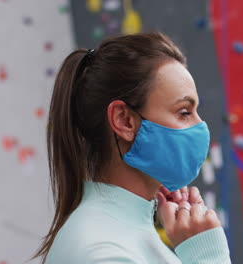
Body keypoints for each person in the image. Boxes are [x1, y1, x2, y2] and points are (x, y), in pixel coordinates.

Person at [32, 32, 231, 264]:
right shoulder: (101, 252)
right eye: (184, 112)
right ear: (125, 120)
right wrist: (208, 256)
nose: (200, 127)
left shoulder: (127, 234)